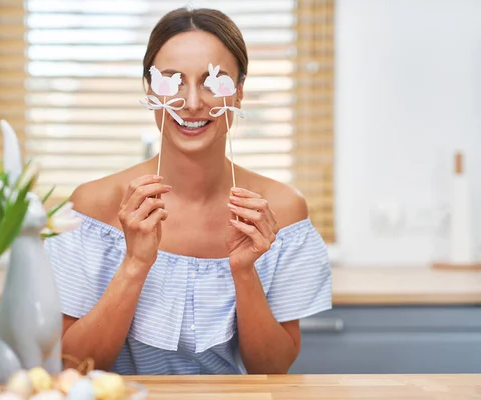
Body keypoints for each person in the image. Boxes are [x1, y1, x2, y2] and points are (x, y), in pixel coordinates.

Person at [44, 7, 332, 375]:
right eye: (171, 80)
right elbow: (73, 365)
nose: (193, 102)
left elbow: (272, 368)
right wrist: (135, 264)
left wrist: (244, 272)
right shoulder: (92, 207)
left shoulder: (283, 210)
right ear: (149, 90)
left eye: (214, 82)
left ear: (240, 92)